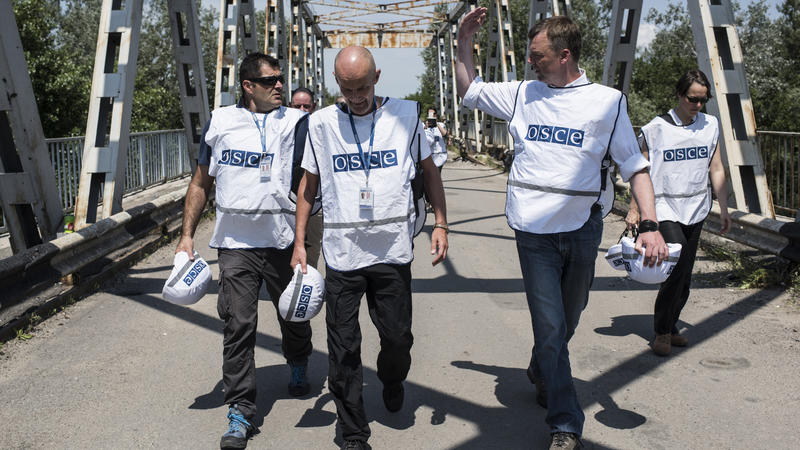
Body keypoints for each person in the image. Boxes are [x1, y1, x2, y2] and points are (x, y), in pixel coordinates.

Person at [456, 10, 669, 450]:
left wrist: (650, 224)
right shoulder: (522, 93)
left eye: (537, 56)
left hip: (582, 227)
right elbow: (470, 89)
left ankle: (542, 367)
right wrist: (462, 42)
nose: (529, 62)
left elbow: (635, 166)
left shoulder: (606, 102)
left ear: (565, 55)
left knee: (569, 317)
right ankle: (565, 423)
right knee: (551, 326)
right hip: (533, 231)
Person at [290, 46, 449, 450]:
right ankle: (354, 433)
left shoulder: (406, 116)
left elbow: (429, 171)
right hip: (343, 256)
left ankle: (392, 378)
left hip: (392, 252)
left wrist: (441, 223)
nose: (356, 96)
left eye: (362, 87)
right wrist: (299, 243)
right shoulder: (321, 124)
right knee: (343, 351)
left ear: (376, 78)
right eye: (347, 89)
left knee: (398, 339)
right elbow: (308, 185)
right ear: (336, 83)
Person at [175, 52, 313, 450]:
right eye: (270, 81)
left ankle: (298, 360)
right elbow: (200, 182)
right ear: (248, 86)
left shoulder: (297, 121)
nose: (280, 86)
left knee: (294, 314)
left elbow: (315, 176)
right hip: (236, 244)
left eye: (281, 79)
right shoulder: (221, 122)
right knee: (238, 325)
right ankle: (240, 411)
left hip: (282, 240)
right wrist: (187, 236)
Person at [626, 69, 731, 357]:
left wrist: (723, 207)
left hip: (696, 208)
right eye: (692, 99)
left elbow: (716, 167)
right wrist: (635, 209)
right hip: (665, 208)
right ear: (678, 95)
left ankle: (672, 325)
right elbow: (640, 171)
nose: (697, 105)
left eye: (703, 100)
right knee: (676, 264)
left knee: (685, 274)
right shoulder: (656, 129)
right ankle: (662, 331)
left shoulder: (710, 125)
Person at [289, 87, 324, 268]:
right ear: (289, 106)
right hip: (286, 202)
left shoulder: (323, 130)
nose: (302, 110)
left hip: (315, 203)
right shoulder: (279, 131)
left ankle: (308, 283)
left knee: (310, 256)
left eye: (306, 106)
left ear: (314, 107)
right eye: (297, 106)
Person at [424, 107, 449, 173]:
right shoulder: (424, 126)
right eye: (430, 114)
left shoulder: (441, 125)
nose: (432, 115)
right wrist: (425, 127)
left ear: (436, 115)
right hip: (430, 154)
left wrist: (437, 124)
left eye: (433, 114)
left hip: (440, 154)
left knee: (437, 173)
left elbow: (445, 135)